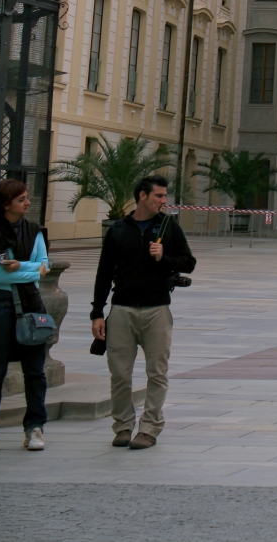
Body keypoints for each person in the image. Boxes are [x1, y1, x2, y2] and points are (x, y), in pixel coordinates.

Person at [91, 174, 196, 450]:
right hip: (122, 310)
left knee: (157, 373)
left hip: (157, 310)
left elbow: (189, 262)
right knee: (120, 374)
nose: (164, 201)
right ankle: (123, 426)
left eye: (164, 196)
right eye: (159, 196)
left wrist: (164, 258)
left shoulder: (169, 227)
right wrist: (97, 313)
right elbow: (103, 274)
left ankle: (149, 428)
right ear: (142, 196)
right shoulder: (118, 230)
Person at [0, 179, 49, 454]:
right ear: (6, 204)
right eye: (22, 199)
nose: (28, 202)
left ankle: (34, 427)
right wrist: (32, 270)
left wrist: (21, 266)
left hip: (32, 304)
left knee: (35, 370)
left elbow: (44, 268)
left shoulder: (34, 231)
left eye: (27, 197)